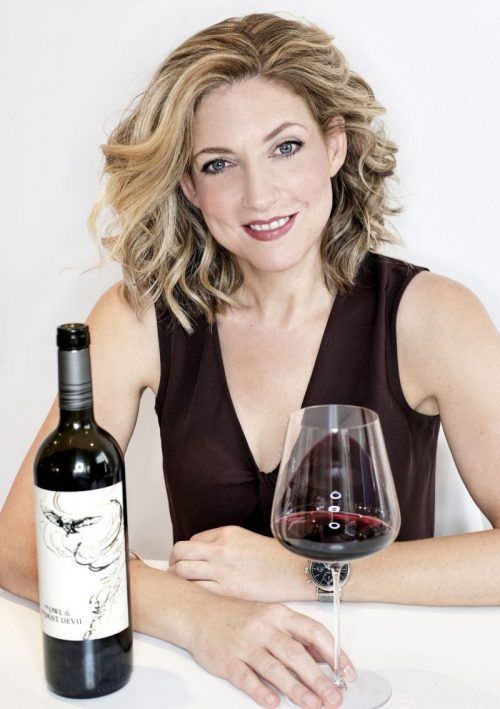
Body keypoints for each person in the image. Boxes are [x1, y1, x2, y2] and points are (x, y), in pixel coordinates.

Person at [0, 11, 499, 708]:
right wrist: (196, 617)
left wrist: (304, 574)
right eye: (218, 164)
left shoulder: (431, 316)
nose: (259, 195)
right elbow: (20, 542)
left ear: (334, 145)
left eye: (285, 147)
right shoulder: (140, 317)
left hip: (386, 678)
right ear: (188, 186)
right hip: (201, 684)